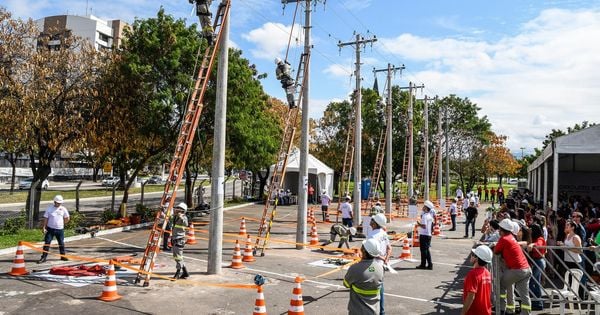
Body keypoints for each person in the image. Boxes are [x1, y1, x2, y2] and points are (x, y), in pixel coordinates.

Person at [494, 219, 532, 315]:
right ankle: (526, 313)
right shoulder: (511, 237)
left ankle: (501, 308)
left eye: (499, 229)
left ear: (502, 230)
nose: (498, 231)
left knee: (501, 284)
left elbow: (496, 251)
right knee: (525, 295)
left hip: (517, 270)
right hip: (526, 270)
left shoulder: (504, 239)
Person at [343, 239, 384, 315]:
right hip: (375, 311)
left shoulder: (355, 268)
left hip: (358, 311)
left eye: (362, 247)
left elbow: (346, 284)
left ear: (364, 251)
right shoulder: (380, 268)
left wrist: (357, 263)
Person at [368, 213, 392, 315]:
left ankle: (374, 311)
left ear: (375, 223)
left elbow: (371, 252)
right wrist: (386, 259)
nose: (371, 220)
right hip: (382, 265)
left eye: (372, 219)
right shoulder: (383, 233)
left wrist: (382, 258)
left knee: (371, 290)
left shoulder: (372, 235)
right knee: (380, 287)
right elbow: (389, 248)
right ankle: (381, 312)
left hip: (373, 266)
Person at [461, 245, 493, 315]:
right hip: (486, 311)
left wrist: (463, 313)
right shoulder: (487, 273)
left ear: (477, 258)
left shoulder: (472, 274)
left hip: (474, 312)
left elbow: (471, 297)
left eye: (473, 254)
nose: (471, 256)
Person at [38, 195, 70, 263]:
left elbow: (67, 218)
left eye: (60, 203)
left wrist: (62, 223)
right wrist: (44, 227)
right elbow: (46, 218)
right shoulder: (49, 209)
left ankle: (63, 256)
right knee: (47, 243)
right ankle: (43, 257)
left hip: (60, 229)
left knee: (61, 243)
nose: (59, 204)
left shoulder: (63, 209)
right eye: (58, 202)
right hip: (50, 229)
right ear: (54, 202)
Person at [527, 223, 546, 311]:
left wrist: (532, 244)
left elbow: (539, 244)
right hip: (536, 261)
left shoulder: (540, 238)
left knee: (532, 282)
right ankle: (538, 303)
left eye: (530, 229)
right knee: (536, 283)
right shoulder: (533, 238)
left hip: (539, 262)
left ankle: (537, 302)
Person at [171, 202, 190, 279]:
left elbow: (185, 224)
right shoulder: (175, 217)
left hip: (179, 240)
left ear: (182, 211)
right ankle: (185, 272)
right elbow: (168, 217)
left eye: (178, 209)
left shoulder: (184, 218)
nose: (176, 210)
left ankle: (178, 272)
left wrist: (181, 217)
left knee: (178, 257)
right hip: (175, 238)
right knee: (178, 256)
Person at [416, 200, 435, 270]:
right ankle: (428, 264)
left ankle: (425, 264)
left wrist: (418, 224)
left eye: (424, 206)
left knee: (424, 251)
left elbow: (424, 226)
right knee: (426, 250)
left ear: (426, 208)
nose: (423, 207)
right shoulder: (429, 216)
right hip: (428, 234)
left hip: (424, 234)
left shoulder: (424, 216)